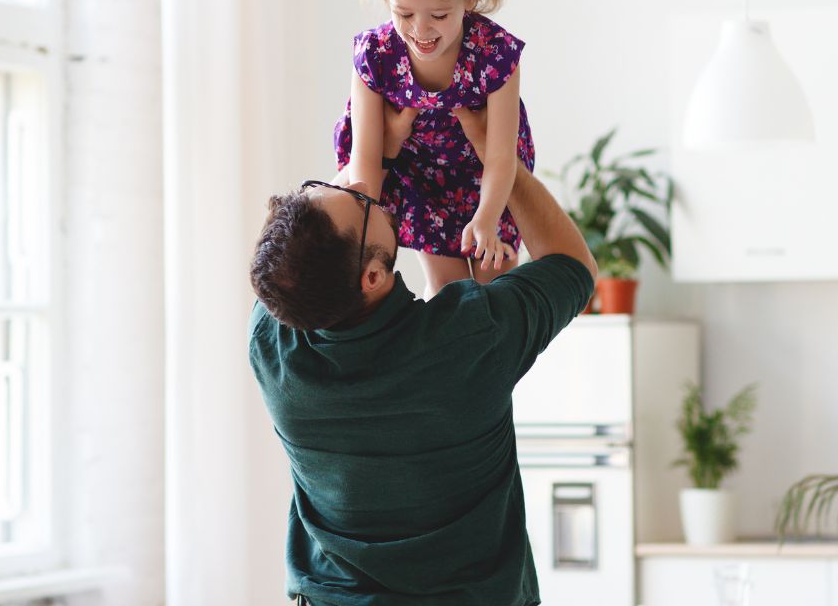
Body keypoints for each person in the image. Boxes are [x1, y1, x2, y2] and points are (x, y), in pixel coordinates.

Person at [249, 104, 598, 606]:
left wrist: (381, 152)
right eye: (360, 199)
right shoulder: (468, 338)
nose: (360, 184)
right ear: (372, 278)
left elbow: (290, 260)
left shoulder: (275, 349)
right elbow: (574, 268)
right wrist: (499, 157)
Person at [334, 0, 534, 299]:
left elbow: (500, 156)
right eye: (403, 13)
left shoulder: (494, 54)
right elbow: (366, 165)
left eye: (439, 15)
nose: (420, 30)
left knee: (499, 294)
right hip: (420, 180)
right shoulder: (375, 56)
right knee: (448, 291)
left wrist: (487, 217)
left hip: (489, 179)